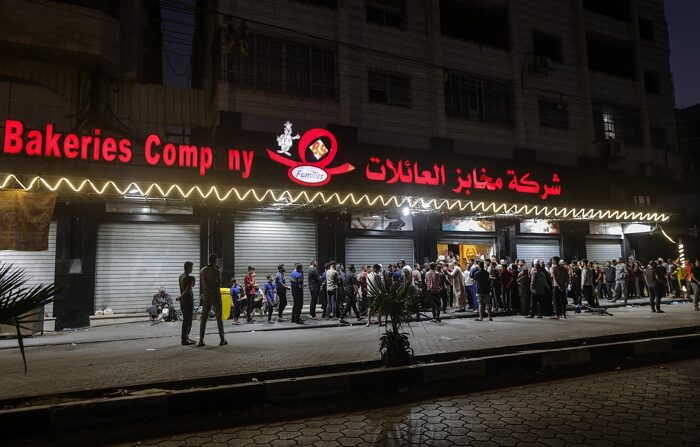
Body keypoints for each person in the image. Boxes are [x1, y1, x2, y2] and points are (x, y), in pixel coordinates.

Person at [198, 253, 227, 347]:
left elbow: (204, 283)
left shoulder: (203, 270)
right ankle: (222, 339)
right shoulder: (217, 272)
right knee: (219, 318)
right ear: (215, 261)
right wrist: (217, 270)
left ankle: (201, 340)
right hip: (216, 297)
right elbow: (219, 283)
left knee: (204, 319)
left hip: (206, 297)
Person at [177, 261, 196, 345]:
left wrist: (180, 297)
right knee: (188, 321)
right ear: (188, 268)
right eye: (191, 267)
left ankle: (186, 338)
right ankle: (184, 339)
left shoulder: (180, 276)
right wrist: (181, 296)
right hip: (188, 301)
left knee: (185, 320)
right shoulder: (189, 278)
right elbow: (188, 289)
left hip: (183, 302)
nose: (192, 269)